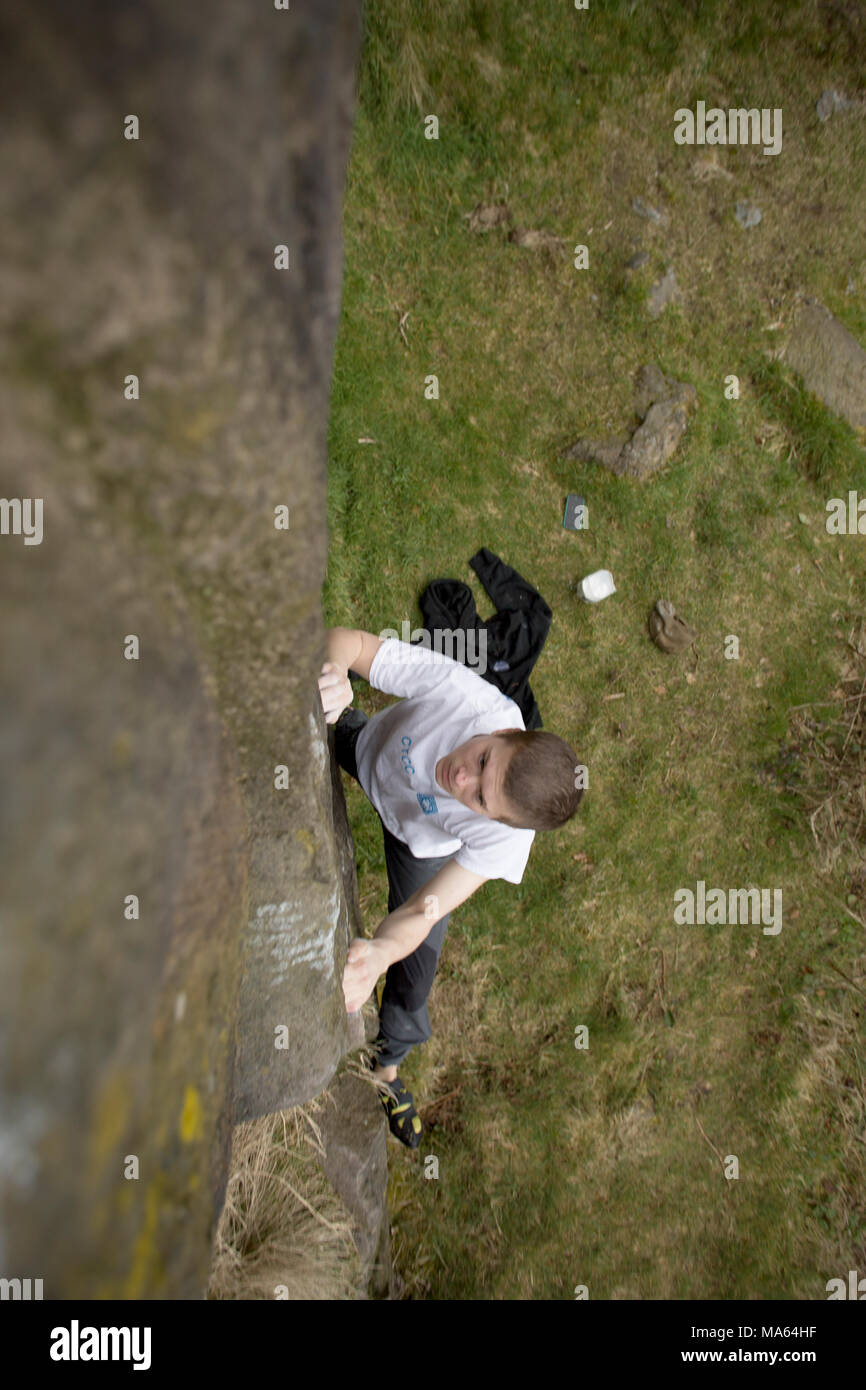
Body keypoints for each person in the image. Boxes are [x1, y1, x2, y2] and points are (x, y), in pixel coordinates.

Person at [319, 626, 583, 1147]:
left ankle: (388, 1068)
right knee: (332, 717)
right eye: (483, 759)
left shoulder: (504, 843)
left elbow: (424, 908)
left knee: (415, 973)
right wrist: (336, 676)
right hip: (367, 749)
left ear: (502, 823)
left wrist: (378, 954)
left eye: (481, 800)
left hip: (418, 844)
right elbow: (350, 643)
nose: (458, 778)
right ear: (505, 732)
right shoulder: (466, 696)